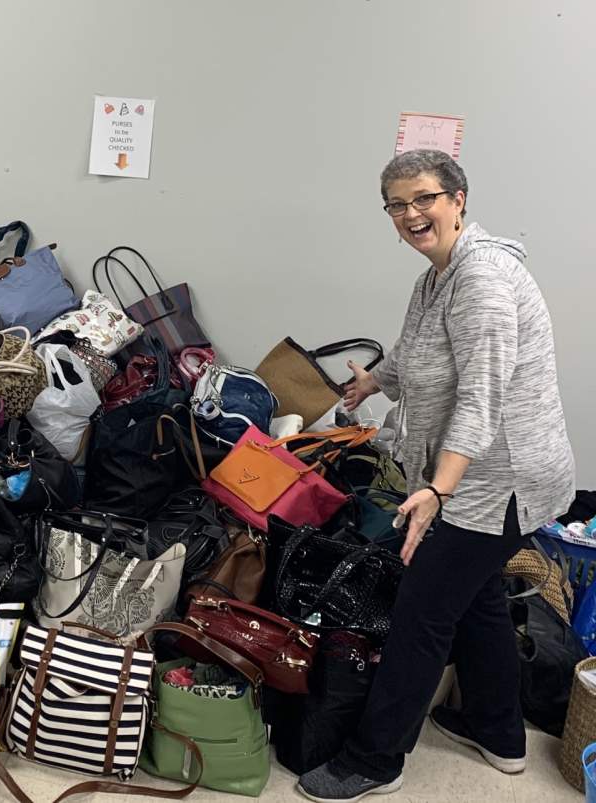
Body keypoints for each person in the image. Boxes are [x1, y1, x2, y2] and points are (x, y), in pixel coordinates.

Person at [296, 149, 575, 802]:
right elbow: (418, 347)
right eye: (396, 203)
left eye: (423, 197)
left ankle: (376, 759)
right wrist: (376, 379)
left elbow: (483, 395)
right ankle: (500, 733)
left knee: (421, 610)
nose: (410, 213)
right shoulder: (438, 276)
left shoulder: (482, 281)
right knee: (474, 599)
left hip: (497, 480)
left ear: (458, 198)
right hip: (475, 476)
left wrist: (439, 489)